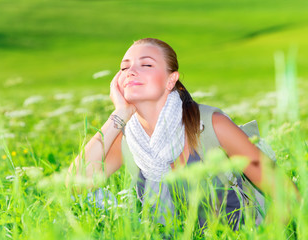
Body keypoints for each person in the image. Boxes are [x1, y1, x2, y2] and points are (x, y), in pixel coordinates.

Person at [66, 38, 269, 230]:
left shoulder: (211, 125)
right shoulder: (130, 138)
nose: (131, 72)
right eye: (124, 67)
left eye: (146, 65)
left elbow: (288, 196)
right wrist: (120, 113)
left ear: (171, 80)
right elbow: (76, 185)